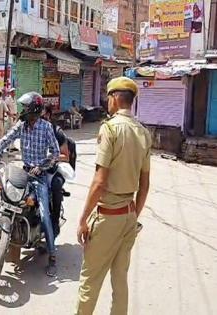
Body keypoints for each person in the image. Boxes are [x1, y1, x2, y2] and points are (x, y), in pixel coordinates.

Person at [75, 77, 151, 315]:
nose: (107, 102)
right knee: (120, 281)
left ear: (116, 98)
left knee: (90, 280)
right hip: (128, 216)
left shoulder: (110, 129)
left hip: (109, 216)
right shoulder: (143, 133)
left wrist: (83, 220)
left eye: (108, 97)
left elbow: (99, 182)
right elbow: (145, 184)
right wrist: (133, 215)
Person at [0, 91, 60, 277]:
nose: (22, 111)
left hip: (40, 176)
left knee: (44, 214)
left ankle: (52, 255)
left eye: (26, 107)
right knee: (7, 200)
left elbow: (55, 152)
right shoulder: (21, 125)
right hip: (24, 171)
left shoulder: (46, 127)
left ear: (34, 109)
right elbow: (6, 139)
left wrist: (42, 166)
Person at [42, 105, 77, 237]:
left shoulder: (57, 132)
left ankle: (55, 221)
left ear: (48, 115)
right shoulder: (31, 129)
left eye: (42, 115)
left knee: (56, 184)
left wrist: (49, 157)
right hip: (35, 168)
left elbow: (65, 156)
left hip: (55, 168)